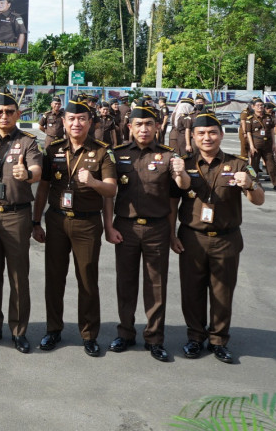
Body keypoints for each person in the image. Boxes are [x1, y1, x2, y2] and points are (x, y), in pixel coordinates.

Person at [171, 112, 264, 364]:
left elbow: (259, 200)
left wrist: (250, 185)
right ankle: (194, 337)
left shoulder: (238, 164)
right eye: (201, 133)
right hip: (192, 238)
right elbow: (173, 201)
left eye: (212, 132)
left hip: (226, 239)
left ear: (222, 135)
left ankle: (218, 340)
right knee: (192, 292)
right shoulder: (184, 163)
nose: (207, 137)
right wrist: (171, 234)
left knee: (222, 293)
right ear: (193, 136)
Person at [32, 99, 117, 357]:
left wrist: (92, 182)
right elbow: (43, 189)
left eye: (82, 119)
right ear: (64, 122)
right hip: (57, 221)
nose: (76, 123)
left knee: (87, 279)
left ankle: (89, 334)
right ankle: (53, 329)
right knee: (54, 279)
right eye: (71, 119)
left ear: (90, 122)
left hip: (87, 222)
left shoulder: (103, 152)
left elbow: (111, 189)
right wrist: (36, 222)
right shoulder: (53, 150)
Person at [104, 104, 182, 362]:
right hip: (125, 226)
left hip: (157, 227)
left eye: (149, 124)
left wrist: (172, 233)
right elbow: (109, 193)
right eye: (138, 124)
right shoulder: (117, 155)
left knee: (156, 285)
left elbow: (173, 200)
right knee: (125, 283)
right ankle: (125, 332)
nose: (144, 129)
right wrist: (109, 225)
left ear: (158, 126)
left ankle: (154, 338)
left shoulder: (169, 156)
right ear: (130, 128)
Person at [0, 93, 42, 353]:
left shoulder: (28, 142)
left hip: (17, 215)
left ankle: (18, 330)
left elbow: (37, 170)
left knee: (18, 277)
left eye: (9, 111)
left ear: (18, 114)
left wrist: (27, 174)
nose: (4, 116)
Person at [245, 99, 276, 192]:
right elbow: (248, 133)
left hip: (267, 145)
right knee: (254, 166)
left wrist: (274, 143)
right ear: (253, 107)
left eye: (261, 105)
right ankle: (253, 184)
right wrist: (251, 146)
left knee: (271, 165)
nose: (260, 107)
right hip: (256, 145)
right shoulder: (250, 119)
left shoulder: (268, 117)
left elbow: (272, 131)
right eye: (258, 105)